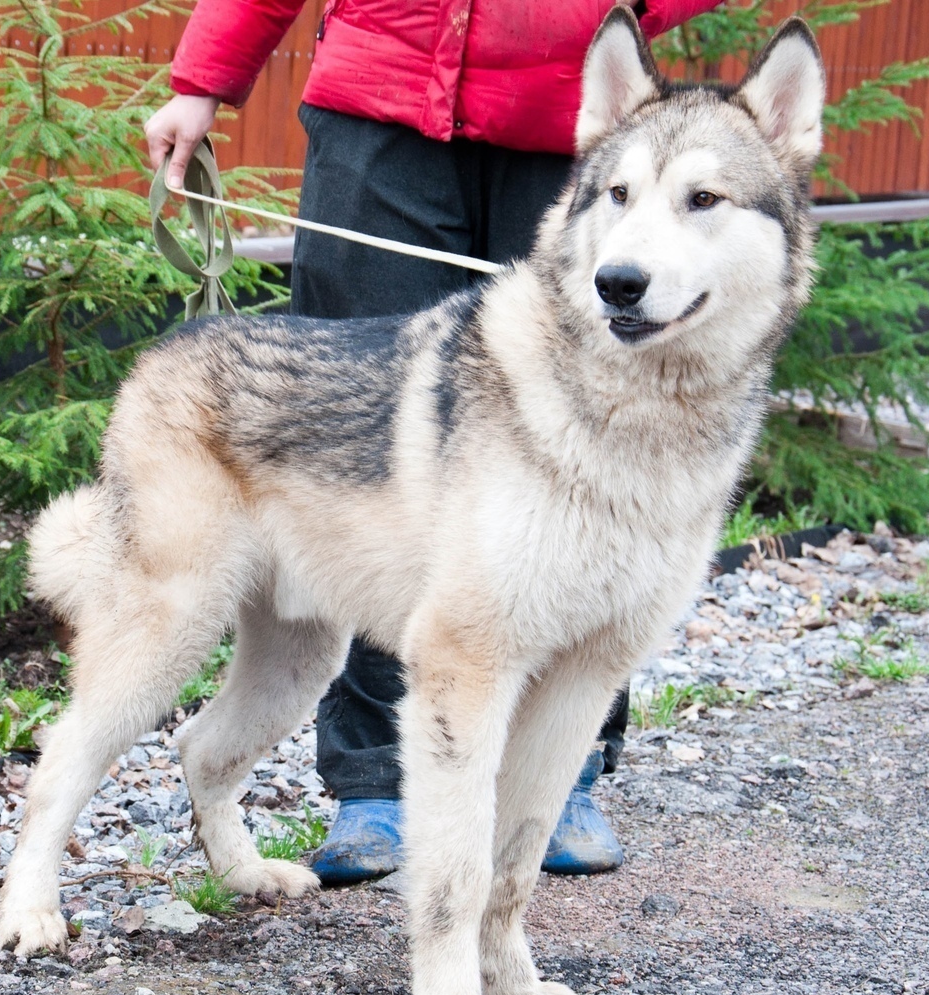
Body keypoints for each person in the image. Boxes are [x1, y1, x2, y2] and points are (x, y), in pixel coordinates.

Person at [145, 0, 723, 883]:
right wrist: (202, 81)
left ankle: (556, 777)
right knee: (372, 458)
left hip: (562, 131)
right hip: (380, 112)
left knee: (589, 451)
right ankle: (375, 779)